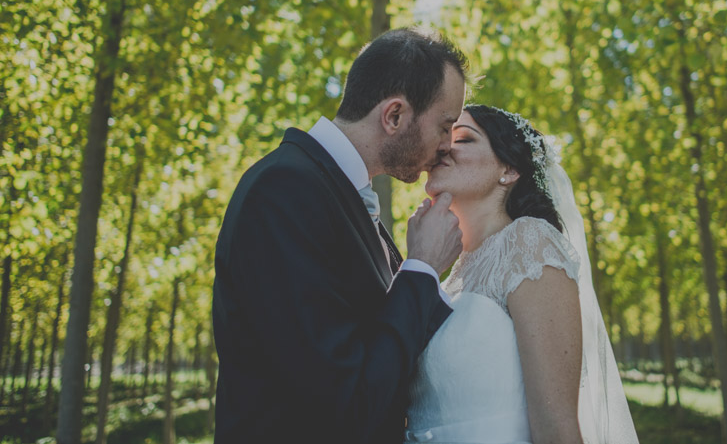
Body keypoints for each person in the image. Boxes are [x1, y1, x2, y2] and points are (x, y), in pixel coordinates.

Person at [212, 27, 469, 443]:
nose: (448, 146)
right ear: (394, 116)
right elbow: (344, 400)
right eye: (445, 126)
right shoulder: (284, 191)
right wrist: (422, 267)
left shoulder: (337, 193)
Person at [405, 105, 639, 444]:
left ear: (509, 170)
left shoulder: (529, 243)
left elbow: (556, 427)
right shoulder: (452, 274)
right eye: (444, 136)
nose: (443, 148)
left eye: (464, 139)